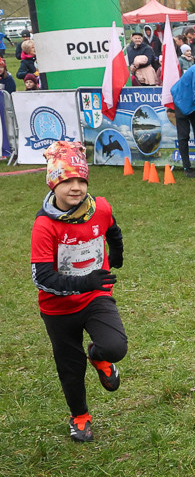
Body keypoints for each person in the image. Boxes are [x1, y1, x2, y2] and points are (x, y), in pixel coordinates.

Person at [31, 141, 127, 444]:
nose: (75, 188)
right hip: (57, 309)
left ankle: (99, 356)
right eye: (67, 181)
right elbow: (42, 277)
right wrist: (85, 280)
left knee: (116, 347)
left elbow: (112, 228)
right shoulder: (45, 225)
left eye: (81, 180)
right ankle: (80, 415)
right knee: (70, 368)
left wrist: (118, 252)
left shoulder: (100, 207)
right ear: (53, 182)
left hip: (95, 298)